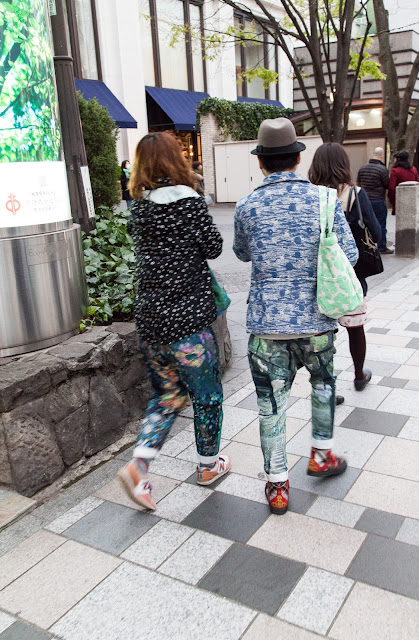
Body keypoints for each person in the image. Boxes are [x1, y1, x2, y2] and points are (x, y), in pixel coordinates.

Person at [233, 118, 358, 515]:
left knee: (270, 404)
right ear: (299, 157)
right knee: (323, 382)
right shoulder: (325, 201)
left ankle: (278, 485)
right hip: (318, 322)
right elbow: (350, 257)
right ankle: (321, 455)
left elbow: (242, 254)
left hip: (267, 327)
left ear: (261, 163)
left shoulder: (246, 204)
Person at [118, 132, 230, 510]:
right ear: (175, 161)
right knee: (207, 395)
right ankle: (208, 466)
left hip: (151, 322)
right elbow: (214, 247)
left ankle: (139, 466)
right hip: (189, 327)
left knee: (167, 395)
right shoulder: (189, 203)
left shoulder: (139, 207)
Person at [310, 143, 381, 392]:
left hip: (318, 278)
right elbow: (377, 232)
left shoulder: (310, 196)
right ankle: (359, 375)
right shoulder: (355, 195)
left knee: (323, 336)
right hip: (351, 276)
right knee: (355, 328)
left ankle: (328, 389)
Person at [357, 147, 392, 254]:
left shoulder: (362, 168)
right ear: (381, 156)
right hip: (378, 199)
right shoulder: (382, 169)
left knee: (365, 223)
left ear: (373, 155)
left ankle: (367, 246)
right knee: (381, 224)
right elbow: (387, 185)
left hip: (365, 200)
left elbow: (358, 183)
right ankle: (381, 247)